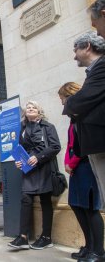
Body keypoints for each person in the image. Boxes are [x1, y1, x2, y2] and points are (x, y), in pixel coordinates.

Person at [59, 82, 104, 261]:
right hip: (76, 169)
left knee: (91, 208)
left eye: (63, 99)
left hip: (86, 166)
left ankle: (99, 251)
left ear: (71, 97)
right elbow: (70, 145)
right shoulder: (74, 120)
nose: (62, 104)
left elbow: (84, 145)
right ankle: (89, 246)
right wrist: (67, 163)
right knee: (78, 206)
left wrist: (73, 162)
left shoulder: (86, 116)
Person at [8, 101, 61, 250]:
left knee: (45, 201)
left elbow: (55, 146)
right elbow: (21, 150)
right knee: (25, 199)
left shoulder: (48, 127)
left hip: (44, 168)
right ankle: (23, 237)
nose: (30, 109)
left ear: (39, 111)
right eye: (28, 108)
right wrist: (19, 162)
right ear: (25, 113)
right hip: (29, 170)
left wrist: (38, 157)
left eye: (34, 108)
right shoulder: (23, 129)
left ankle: (46, 237)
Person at [63, 31, 105, 212]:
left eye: (75, 50)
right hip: (94, 147)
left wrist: (73, 104)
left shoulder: (101, 66)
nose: (74, 56)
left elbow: (77, 102)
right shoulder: (93, 71)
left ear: (87, 46)